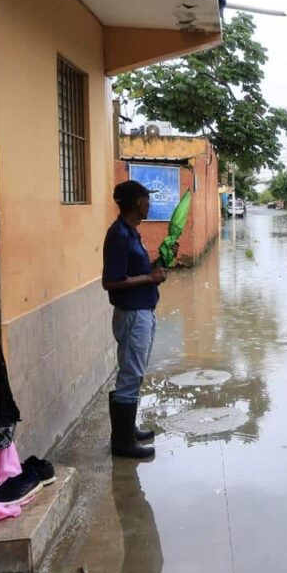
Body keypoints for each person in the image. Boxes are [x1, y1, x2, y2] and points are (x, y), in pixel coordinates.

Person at [102, 180, 168, 459]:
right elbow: (111, 282)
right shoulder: (119, 235)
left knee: (135, 372)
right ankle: (123, 443)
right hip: (132, 315)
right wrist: (149, 278)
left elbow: (134, 272)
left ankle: (128, 431)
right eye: (146, 200)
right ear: (138, 203)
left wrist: (153, 272)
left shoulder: (130, 233)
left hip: (142, 310)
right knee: (130, 374)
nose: (149, 204)